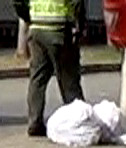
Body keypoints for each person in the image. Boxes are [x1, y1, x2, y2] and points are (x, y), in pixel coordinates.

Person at [20, 0, 82, 138]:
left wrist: (28, 16)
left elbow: (18, 2)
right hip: (59, 29)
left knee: (37, 78)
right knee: (68, 79)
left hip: (36, 29)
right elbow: (77, 2)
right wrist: (79, 24)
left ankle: (34, 122)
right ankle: (78, 121)